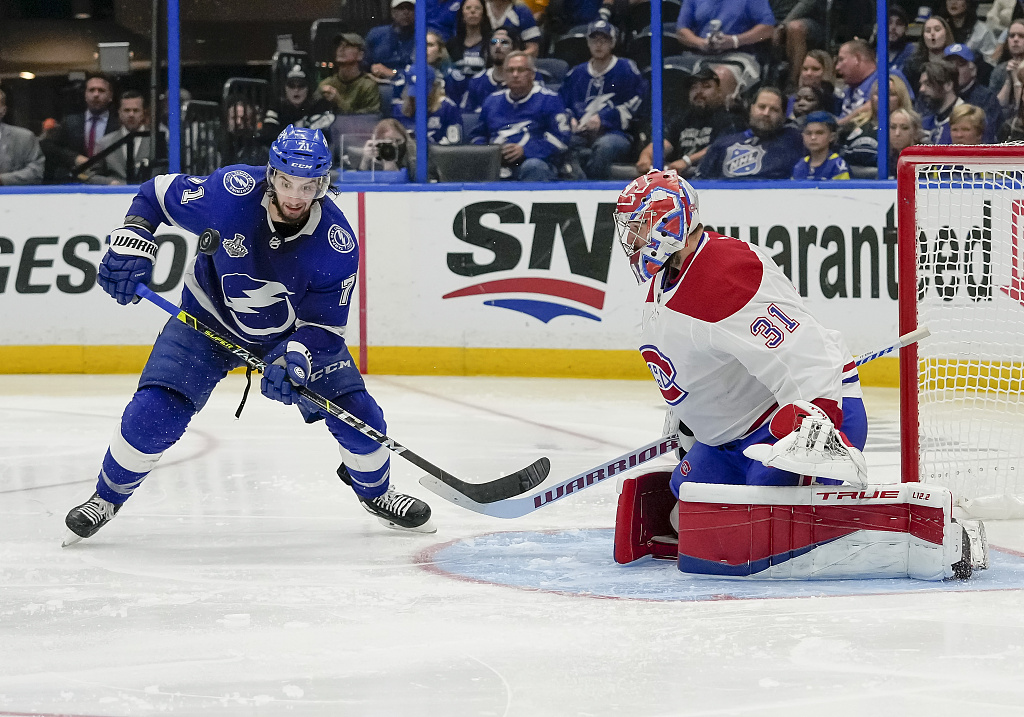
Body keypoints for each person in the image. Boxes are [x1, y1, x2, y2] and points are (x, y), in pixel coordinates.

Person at [62, 125, 435, 547]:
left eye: (308, 185)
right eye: (287, 181)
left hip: (290, 336)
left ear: (323, 184)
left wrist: (295, 356)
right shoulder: (230, 191)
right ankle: (106, 498)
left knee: (361, 419)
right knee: (152, 414)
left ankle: (377, 494)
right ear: (271, 174)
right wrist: (133, 236)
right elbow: (155, 194)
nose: (295, 196)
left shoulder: (337, 243)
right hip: (207, 322)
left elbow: (325, 328)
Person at [611, 169, 988, 580]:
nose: (632, 238)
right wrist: (691, 416)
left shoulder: (726, 272)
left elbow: (808, 354)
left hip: (790, 428)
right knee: (689, 515)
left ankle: (929, 536)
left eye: (640, 225)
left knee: (756, 535)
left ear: (670, 219)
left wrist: (816, 421)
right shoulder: (670, 272)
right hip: (729, 440)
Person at [559, 19, 645, 180]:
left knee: (604, 147)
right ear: (588, 43)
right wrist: (570, 119)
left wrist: (604, 120)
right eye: (594, 40)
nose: (598, 45)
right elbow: (562, 104)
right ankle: (577, 189)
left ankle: (595, 192)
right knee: (562, 145)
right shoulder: (576, 73)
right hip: (580, 134)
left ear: (612, 43)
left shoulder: (626, 68)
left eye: (604, 40)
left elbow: (637, 103)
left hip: (616, 133)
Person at [470, 51, 571, 181]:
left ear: (532, 74)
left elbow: (561, 139)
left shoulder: (549, 99)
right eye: (510, 70)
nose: (515, 75)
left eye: (521, 70)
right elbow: (477, 136)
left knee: (533, 166)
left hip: (535, 162)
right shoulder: (492, 101)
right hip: (497, 162)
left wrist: (526, 150)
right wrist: (491, 152)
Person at [635, 66, 744, 177]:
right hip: (681, 180)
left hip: (713, 180)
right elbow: (665, 143)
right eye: (694, 87)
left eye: (706, 86)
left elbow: (721, 146)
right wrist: (646, 156)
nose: (698, 92)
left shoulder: (731, 120)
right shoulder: (683, 119)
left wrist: (687, 161)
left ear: (720, 92)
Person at [698, 86, 804, 179]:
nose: (766, 113)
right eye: (762, 107)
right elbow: (700, 184)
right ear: (751, 108)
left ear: (783, 115)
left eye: (774, 110)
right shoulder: (723, 144)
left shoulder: (794, 141)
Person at [674, 0, 776, 94]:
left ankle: (724, 113)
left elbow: (768, 29)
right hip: (698, 54)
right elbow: (681, 31)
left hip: (739, 55)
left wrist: (735, 41)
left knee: (720, 77)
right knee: (670, 71)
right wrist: (701, 43)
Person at [260, 64, 336, 145]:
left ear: (309, 89)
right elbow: (267, 135)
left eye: (301, 85)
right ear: (285, 88)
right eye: (291, 85)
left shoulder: (319, 106)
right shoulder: (277, 107)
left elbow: (322, 138)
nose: (296, 90)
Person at [53, 72, 120, 159]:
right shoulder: (70, 122)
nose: (96, 95)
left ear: (110, 96)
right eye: (91, 90)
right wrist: (74, 158)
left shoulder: (118, 125)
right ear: (85, 95)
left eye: (101, 90)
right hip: (76, 170)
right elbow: (51, 146)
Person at [393, 65, 464, 144]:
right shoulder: (398, 109)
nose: (418, 97)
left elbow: (455, 144)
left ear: (434, 86)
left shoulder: (447, 108)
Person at [943, 43, 1001, 138]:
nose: (954, 70)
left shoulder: (987, 98)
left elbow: (988, 136)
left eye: (960, 64)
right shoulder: (939, 94)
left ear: (973, 70)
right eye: (949, 65)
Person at [769, 0, 827, 91]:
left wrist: (783, 24)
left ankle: (794, 82)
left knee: (794, 28)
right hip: (774, 18)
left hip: (808, 19)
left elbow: (808, 3)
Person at [317, 33, 381, 116]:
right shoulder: (327, 84)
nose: (341, 49)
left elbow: (368, 119)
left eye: (348, 46)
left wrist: (339, 102)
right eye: (339, 45)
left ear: (360, 55)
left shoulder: (368, 86)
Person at [462, 26, 522, 111]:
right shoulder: (476, 81)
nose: (498, 46)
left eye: (504, 42)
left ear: (514, 48)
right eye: (494, 42)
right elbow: (467, 115)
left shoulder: (527, 76)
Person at [0, 88, 44, 186]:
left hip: (14, 198)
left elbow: (36, 171)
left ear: (3, 110)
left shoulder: (24, 137)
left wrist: (3, 180)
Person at [365, 0, 417, 81]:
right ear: (393, 12)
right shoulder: (376, 34)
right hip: (376, 82)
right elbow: (364, 65)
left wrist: (393, 72)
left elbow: (423, 71)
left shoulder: (423, 37)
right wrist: (372, 69)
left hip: (409, 84)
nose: (406, 12)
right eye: (401, 8)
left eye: (410, 8)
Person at [791, 111, 850, 180]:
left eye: (819, 133)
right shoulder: (800, 165)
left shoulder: (838, 166)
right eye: (808, 133)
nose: (813, 137)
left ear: (832, 137)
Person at [903, 15, 955, 90]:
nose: (932, 33)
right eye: (928, 31)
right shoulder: (912, 65)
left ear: (946, 33)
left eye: (937, 30)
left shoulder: (955, 61)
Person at [919, 59, 964, 143]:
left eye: (928, 84)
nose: (921, 89)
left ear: (948, 85)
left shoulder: (969, 120)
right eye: (921, 84)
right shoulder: (924, 124)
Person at [785, 49, 839, 117]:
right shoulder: (792, 100)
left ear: (827, 71)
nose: (809, 73)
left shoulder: (836, 102)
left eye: (815, 69)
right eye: (805, 69)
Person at [448, 0, 492, 75]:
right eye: (468, 8)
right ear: (462, 15)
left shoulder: (491, 42)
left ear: (483, 14)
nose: (472, 11)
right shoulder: (451, 45)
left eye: (477, 8)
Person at [990, 18, 1024, 109]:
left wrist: (1017, 80)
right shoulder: (1000, 69)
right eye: (1012, 36)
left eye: (1021, 36)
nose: (1015, 39)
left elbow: (1020, 107)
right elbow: (995, 107)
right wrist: (1009, 80)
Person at [888, 106, 924, 176]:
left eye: (904, 128)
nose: (897, 133)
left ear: (915, 131)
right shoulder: (884, 157)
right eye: (893, 127)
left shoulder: (926, 158)